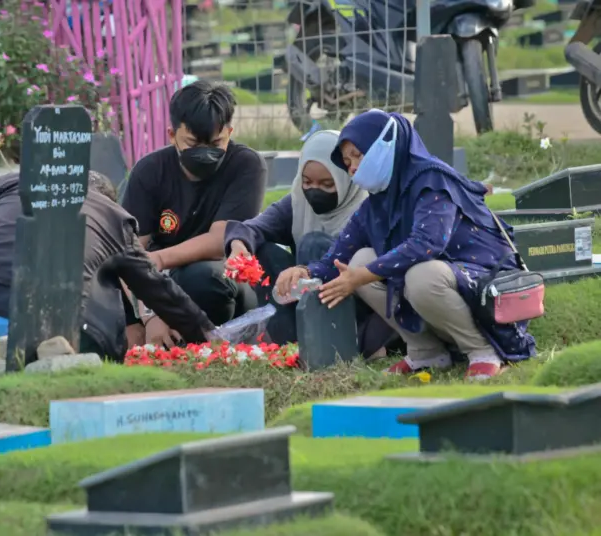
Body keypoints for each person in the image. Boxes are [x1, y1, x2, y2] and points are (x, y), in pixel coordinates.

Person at [274, 110, 536, 380]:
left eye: (358, 155)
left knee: (420, 275)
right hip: (446, 285)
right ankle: (427, 352)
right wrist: (305, 271)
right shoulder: (379, 201)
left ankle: (482, 350)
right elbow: (340, 253)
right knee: (360, 260)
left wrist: (362, 276)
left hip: (484, 283)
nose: (351, 167)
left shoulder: (432, 180)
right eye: (347, 160)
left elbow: (426, 245)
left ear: (385, 145)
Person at [0, 171, 215, 362]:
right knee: (101, 291)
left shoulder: (17, 182)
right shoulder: (115, 219)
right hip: (31, 327)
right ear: (108, 201)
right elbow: (159, 289)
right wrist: (209, 338)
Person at [224, 129, 398, 352]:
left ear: (347, 178)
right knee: (264, 251)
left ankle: (328, 342)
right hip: (304, 299)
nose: (314, 191)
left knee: (314, 244)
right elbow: (252, 228)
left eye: (327, 185)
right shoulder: (298, 203)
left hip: (354, 309)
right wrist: (239, 246)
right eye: (307, 182)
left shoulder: (366, 209)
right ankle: (289, 343)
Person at [121, 80, 267, 343]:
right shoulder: (149, 171)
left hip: (221, 278)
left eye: (215, 143)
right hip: (158, 282)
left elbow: (218, 241)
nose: (205, 153)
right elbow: (129, 250)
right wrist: (150, 314)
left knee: (205, 278)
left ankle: (198, 341)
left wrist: (159, 260)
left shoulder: (246, 165)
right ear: (171, 134)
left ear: (230, 132)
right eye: (193, 143)